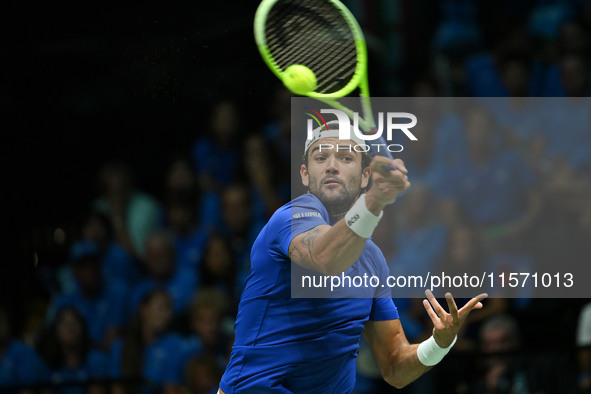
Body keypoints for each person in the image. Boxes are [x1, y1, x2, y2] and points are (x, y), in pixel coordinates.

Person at [218, 121, 487, 393]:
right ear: (304, 175)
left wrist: (439, 343)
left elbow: (395, 367)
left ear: (364, 175)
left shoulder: (372, 261)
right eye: (320, 157)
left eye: (346, 157)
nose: (331, 166)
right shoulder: (289, 219)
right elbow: (326, 259)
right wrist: (374, 201)